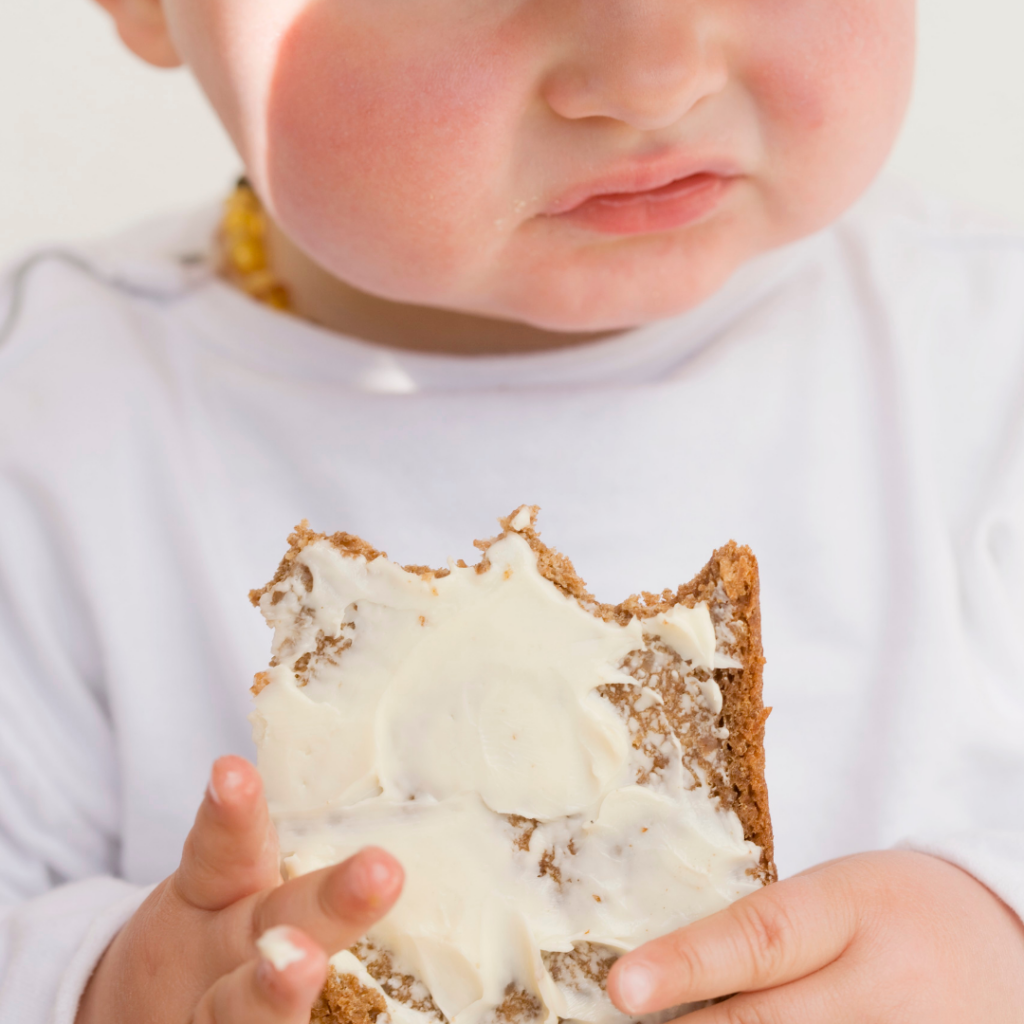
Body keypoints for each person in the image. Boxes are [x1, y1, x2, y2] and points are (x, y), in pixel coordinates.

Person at [1, 0, 1022, 1020]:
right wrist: (108, 990)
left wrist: (999, 953)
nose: (654, 74)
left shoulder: (985, 366)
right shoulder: (48, 430)